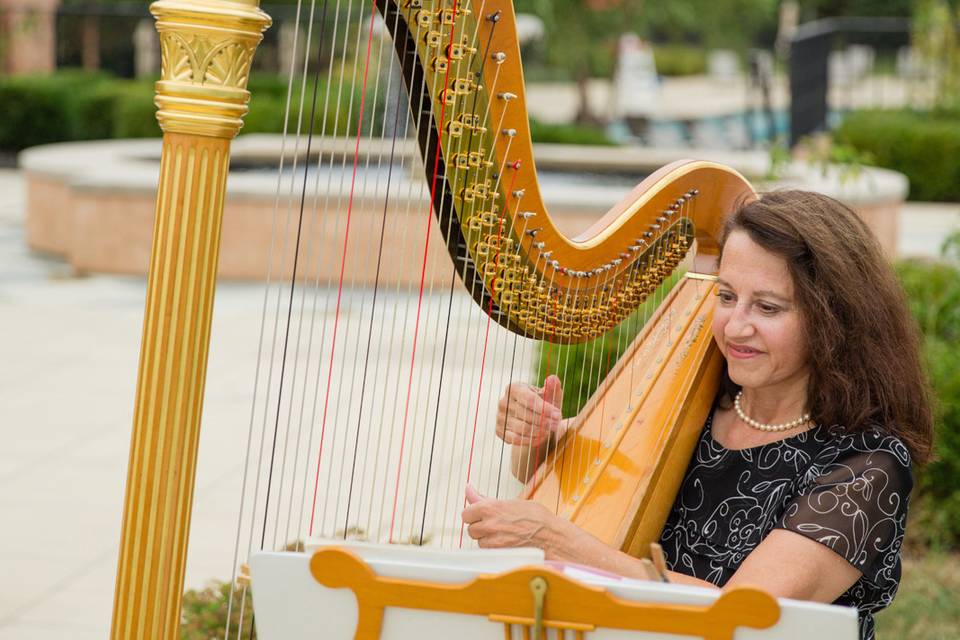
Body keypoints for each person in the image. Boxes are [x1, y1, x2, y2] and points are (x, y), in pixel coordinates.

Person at [461, 190, 934, 640]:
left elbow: (740, 616)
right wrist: (537, 437)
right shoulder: (693, 405)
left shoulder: (867, 466)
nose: (736, 325)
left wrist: (560, 542)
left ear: (833, 321)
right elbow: (560, 472)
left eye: (767, 307)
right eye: (726, 296)